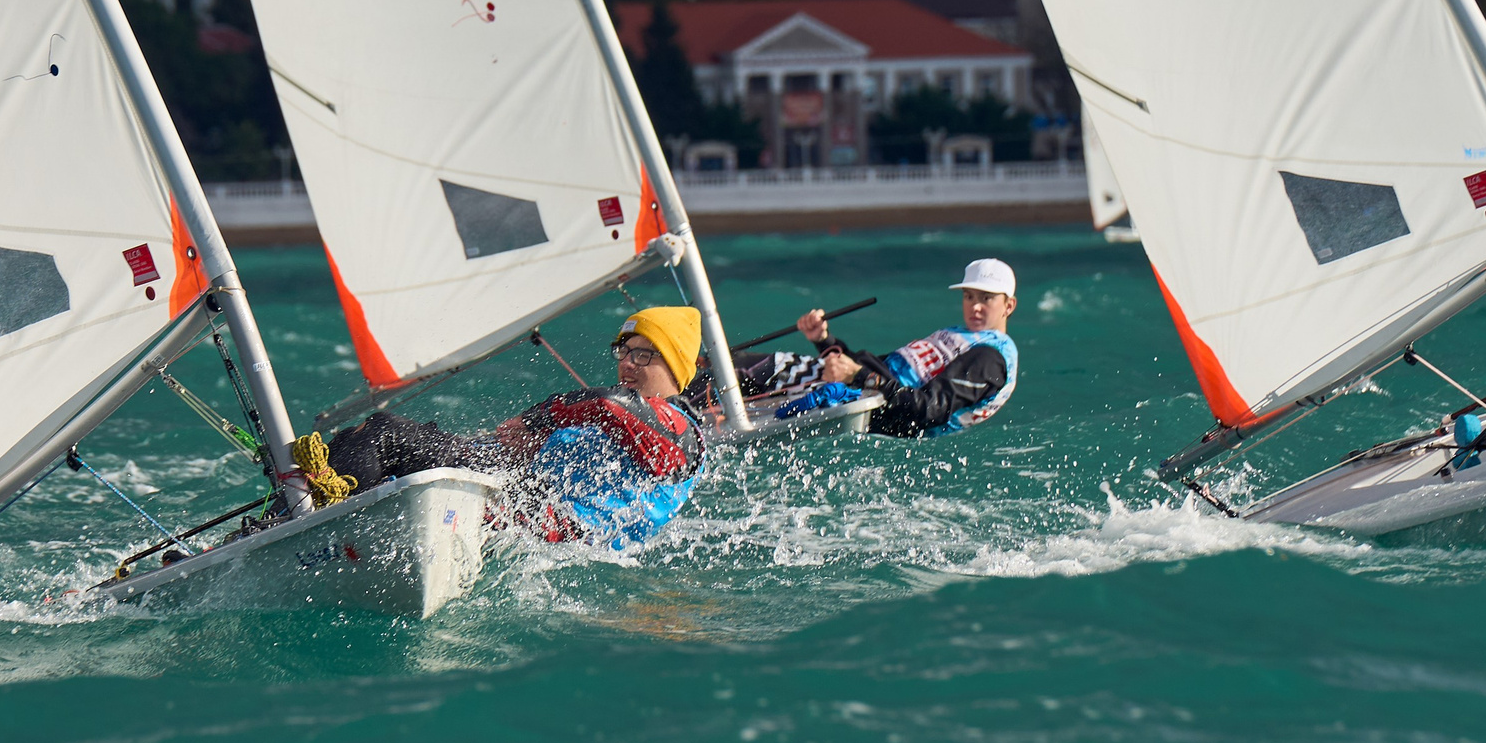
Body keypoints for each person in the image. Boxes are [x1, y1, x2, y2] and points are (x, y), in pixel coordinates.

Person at [308, 306, 708, 548]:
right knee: (371, 437)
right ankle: (300, 518)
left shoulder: (682, 431)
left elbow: (607, 405)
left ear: (674, 366)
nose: (626, 363)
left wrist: (537, 419)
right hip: (515, 492)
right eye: (624, 350)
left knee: (386, 435)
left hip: (557, 529)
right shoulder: (615, 423)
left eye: (643, 354)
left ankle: (308, 533)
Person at [730, 257, 1021, 437]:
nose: (975, 307)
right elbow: (875, 370)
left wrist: (858, 376)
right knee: (735, 364)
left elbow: (929, 409)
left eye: (986, 298)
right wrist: (824, 341)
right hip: (860, 392)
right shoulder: (959, 336)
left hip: (871, 411)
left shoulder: (990, 358)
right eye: (969, 297)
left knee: (751, 372)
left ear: (1009, 305)